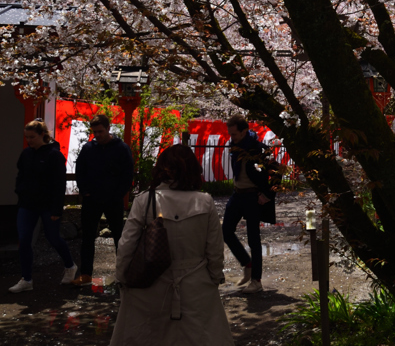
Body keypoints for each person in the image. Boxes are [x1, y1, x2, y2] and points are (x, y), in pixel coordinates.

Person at [110, 144, 233, 346]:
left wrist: (122, 277)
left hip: (151, 281)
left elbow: (127, 244)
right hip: (196, 283)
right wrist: (214, 277)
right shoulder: (205, 201)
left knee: (150, 336)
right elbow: (214, 248)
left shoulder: (145, 200)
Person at [9, 120, 77, 293]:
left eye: (32, 137)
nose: (29, 140)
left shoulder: (54, 155)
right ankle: (26, 279)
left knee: (53, 238)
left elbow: (59, 184)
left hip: (47, 205)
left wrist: (56, 209)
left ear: (42, 135)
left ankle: (70, 265)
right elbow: (21, 175)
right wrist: (20, 191)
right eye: (27, 137)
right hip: (28, 203)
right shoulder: (26, 154)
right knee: (24, 239)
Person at [72, 114, 134, 286]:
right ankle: (86, 273)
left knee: (119, 236)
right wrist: (85, 190)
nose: (97, 135)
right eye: (95, 132)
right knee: (88, 237)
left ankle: (122, 273)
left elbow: (127, 174)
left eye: (100, 131)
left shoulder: (121, 148)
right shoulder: (88, 149)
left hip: (112, 198)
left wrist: (119, 193)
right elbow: (80, 170)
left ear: (108, 129)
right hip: (93, 198)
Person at [222, 113, 276, 294]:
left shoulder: (259, 149)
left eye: (234, 134)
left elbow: (277, 173)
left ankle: (256, 280)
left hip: (253, 196)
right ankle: (247, 263)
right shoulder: (234, 147)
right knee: (226, 231)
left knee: (254, 238)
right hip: (237, 194)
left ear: (245, 131)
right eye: (230, 134)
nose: (232, 138)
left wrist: (267, 194)